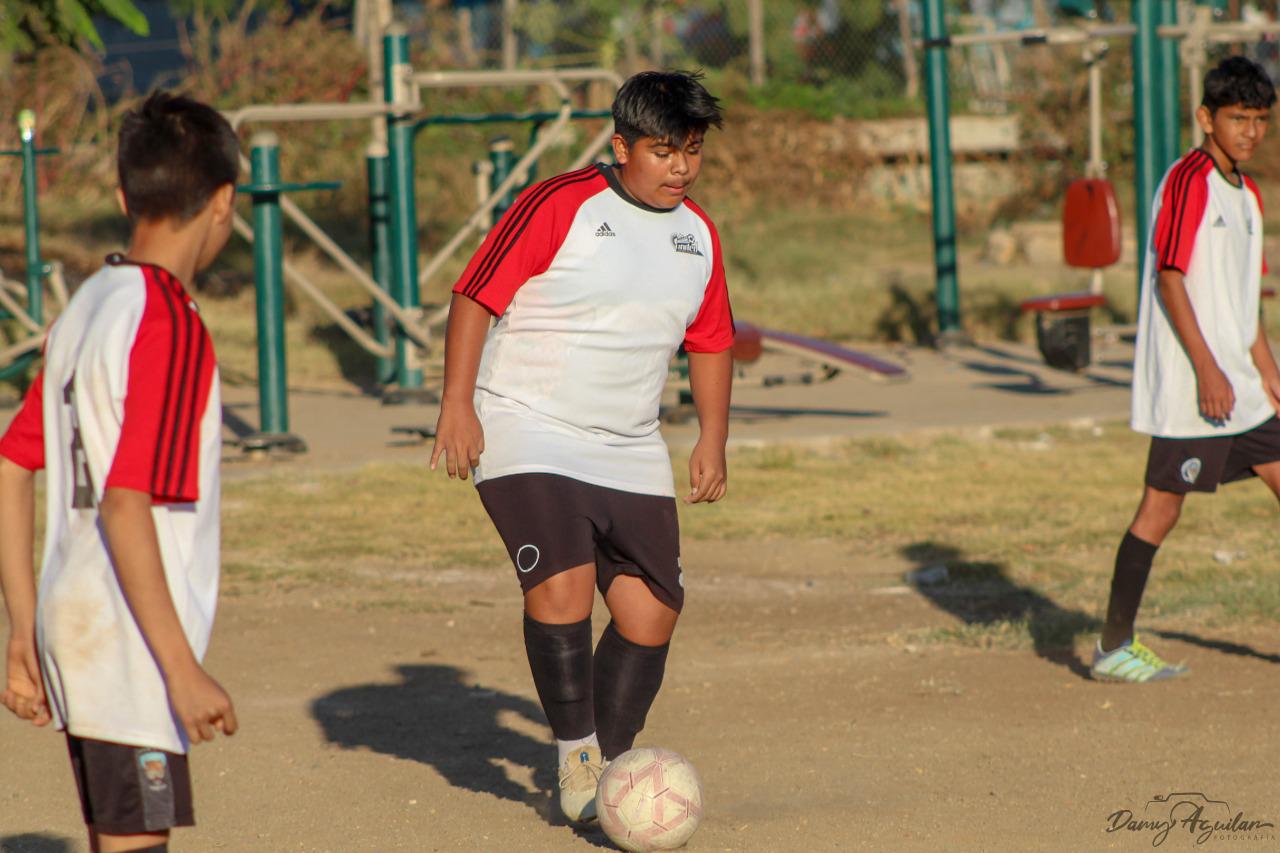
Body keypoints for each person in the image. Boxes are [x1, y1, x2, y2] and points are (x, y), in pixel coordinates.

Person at [431, 70, 733, 823]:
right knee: (561, 587)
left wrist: (712, 438)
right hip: (527, 423)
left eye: (692, 151)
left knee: (651, 613)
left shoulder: (698, 234)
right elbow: (475, 293)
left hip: (629, 442)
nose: (681, 169)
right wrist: (457, 403)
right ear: (621, 144)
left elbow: (712, 340)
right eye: (664, 151)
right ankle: (579, 758)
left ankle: (608, 774)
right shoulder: (560, 202)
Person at [0, 91, 239, 851]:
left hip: (73, 620)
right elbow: (125, 504)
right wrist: (180, 669)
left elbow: (11, 462)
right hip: (128, 638)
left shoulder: (85, 304)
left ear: (122, 194)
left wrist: (20, 629)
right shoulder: (168, 320)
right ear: (224, 201)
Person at [1093, 56, 1279, 683]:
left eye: (1259, 120)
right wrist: (1206, 369)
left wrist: (1267, 368)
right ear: (1207, 118)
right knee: (1160, 510)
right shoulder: (1188, 180)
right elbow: (1169, 277)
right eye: (1237, 119)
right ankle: (1114, 646)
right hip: (1195, 390)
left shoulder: (1248, 195)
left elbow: (1241, 300)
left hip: (1241, 387)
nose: (1250, 132)